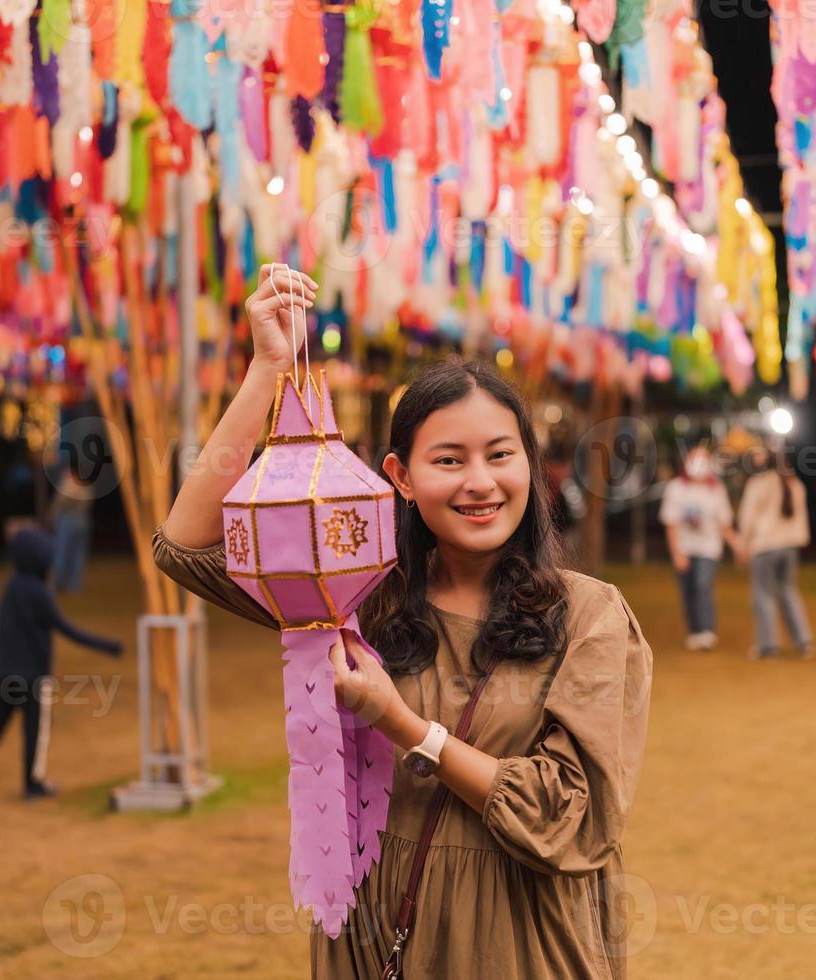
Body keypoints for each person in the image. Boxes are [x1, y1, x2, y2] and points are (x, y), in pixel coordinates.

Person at [152, 266, 652, 979]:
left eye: (500, 455)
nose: (480, 481)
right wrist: (268, 370)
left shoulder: (591, 616)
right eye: (449, 460)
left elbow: (565, 819)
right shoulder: (353, 598)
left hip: (522, 946)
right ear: (402, 477)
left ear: (529, 466)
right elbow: (187, 544)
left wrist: (404, 725)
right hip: (378, 935)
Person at [0, 529, 122, 800]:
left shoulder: (10, 589)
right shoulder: (39, 594)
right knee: (35, 734)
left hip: (5, 676)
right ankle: (32, 784)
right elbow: (67, 630)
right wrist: (108, 646)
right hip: (34, 679)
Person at [659, 444, 741, 651]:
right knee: (688, 591)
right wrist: (677, 553)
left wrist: (738, 546)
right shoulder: (676, 488)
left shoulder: (716, 490)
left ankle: (707, 631)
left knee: (703, 586)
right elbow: (671, 524)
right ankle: (694, 631)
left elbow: (724, 524)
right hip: (684, 548)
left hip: (708, 548)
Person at [738, 447, 815, 660]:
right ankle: (803, 641)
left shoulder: (759, 484)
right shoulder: (794, 483)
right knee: (788, 590)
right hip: (789, 546)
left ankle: (768, 645)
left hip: (765, 546)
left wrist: (743, 545)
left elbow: (748, 517)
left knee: (763, 594)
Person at [48, 467, 93, 592]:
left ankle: (59, 583)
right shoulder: (86, 487)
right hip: (82, 521)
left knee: (62, 552)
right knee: (79, 554)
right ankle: (75, 585)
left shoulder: (67, 485)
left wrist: (51, 516)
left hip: (68, 520)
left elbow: (58, 503)